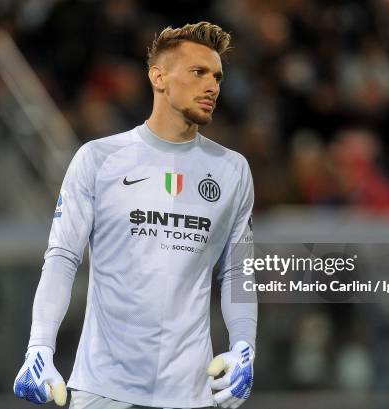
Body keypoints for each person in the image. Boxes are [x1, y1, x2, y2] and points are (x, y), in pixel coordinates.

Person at [14, 21, 257, 409]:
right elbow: (62, 257)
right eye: (198, 72)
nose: (212, 86)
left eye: (217, 76)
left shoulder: (232, 170)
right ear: (158, 77)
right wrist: (39, 346)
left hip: (191, 394)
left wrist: (245, 344)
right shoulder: (99, 159)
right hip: (102, 388)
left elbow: (237, 271)